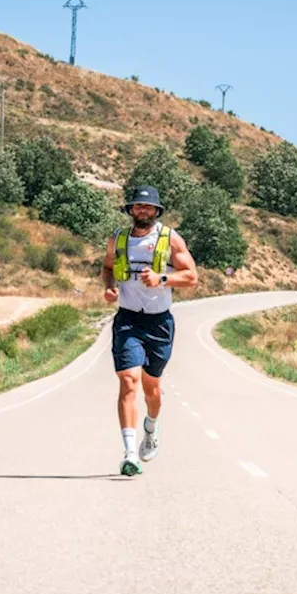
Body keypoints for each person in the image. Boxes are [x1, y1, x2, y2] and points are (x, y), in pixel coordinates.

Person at [102, 186, 199, 476]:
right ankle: (130, 453)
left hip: (159, 323)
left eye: (148, 207)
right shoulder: (118, 239)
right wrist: (108, 287)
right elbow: (107, 267)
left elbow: (192, 277)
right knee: (128, 381)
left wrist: (163, 278)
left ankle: (151, 428)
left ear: (157, 211)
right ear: (131, 210)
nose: (142, 211)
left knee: (151, 388)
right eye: (138, 206)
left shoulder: (169, 239)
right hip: (128, 319)